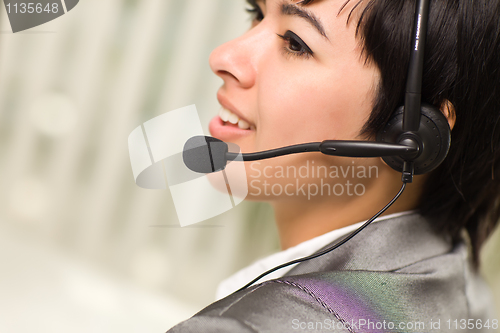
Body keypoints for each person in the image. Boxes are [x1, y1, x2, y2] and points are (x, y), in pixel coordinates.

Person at [168, 0, 500, 332]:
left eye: (296, 43)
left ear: (413, 134)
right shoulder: (463, 293)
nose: (223, 57)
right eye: (256, 13)